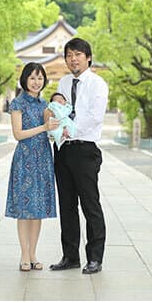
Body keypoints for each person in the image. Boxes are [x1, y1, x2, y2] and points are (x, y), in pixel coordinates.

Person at [49, 37, 109, 275]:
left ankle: (95, 257)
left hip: (85, 148)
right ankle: (70, 256)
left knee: (90, 204)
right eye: (69, 55)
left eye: (78, 55)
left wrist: (70, 128)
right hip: (64, 149)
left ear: (88, 58)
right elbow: (57, 108)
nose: (73, 59)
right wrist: (58, 130)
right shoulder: (63, 82)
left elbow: (95, 116)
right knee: (67, 205)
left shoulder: (97, 84)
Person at [5, 62, 60, 271]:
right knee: (24, 209)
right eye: (32, 78)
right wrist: (44, 127)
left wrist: (56, 131)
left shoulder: (46, 104)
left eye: (40, 78)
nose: (37, 82)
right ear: (25, 80)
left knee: (37, 209)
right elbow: (18, 134)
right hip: (25, 158)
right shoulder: (18, 103)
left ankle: (34, 253)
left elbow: (49, 131)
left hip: (43, 157)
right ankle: (24, 255)